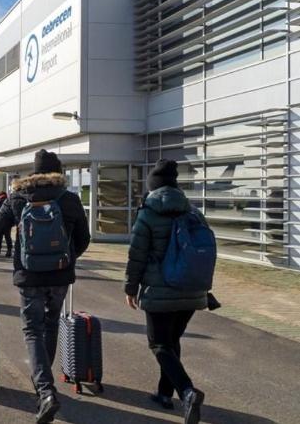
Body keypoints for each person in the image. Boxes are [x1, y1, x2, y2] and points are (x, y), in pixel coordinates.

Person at [0, 149, 90, 423]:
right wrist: (67, 259)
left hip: (29, 275)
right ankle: (44, 386)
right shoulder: (68, 199)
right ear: (57, 173)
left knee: (32, 329)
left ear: (34, 172)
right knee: (50, 324)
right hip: (59, 276)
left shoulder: (19, 197)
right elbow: (84, 238)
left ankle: (45, 392)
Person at [124, 159, 207, 423]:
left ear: (153, 187)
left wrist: (130, 287)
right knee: (171, 343)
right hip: (192, 290)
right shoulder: (193, 212)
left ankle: (187, 391)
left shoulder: (147, 213)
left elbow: (136, 255)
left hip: (159, 291)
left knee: (158, 344)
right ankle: (163, 393)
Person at [0, 191, 12, 257]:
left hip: (0, 221)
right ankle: (9, 250)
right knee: (8, 236)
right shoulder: (9, 202)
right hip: (8, 221)